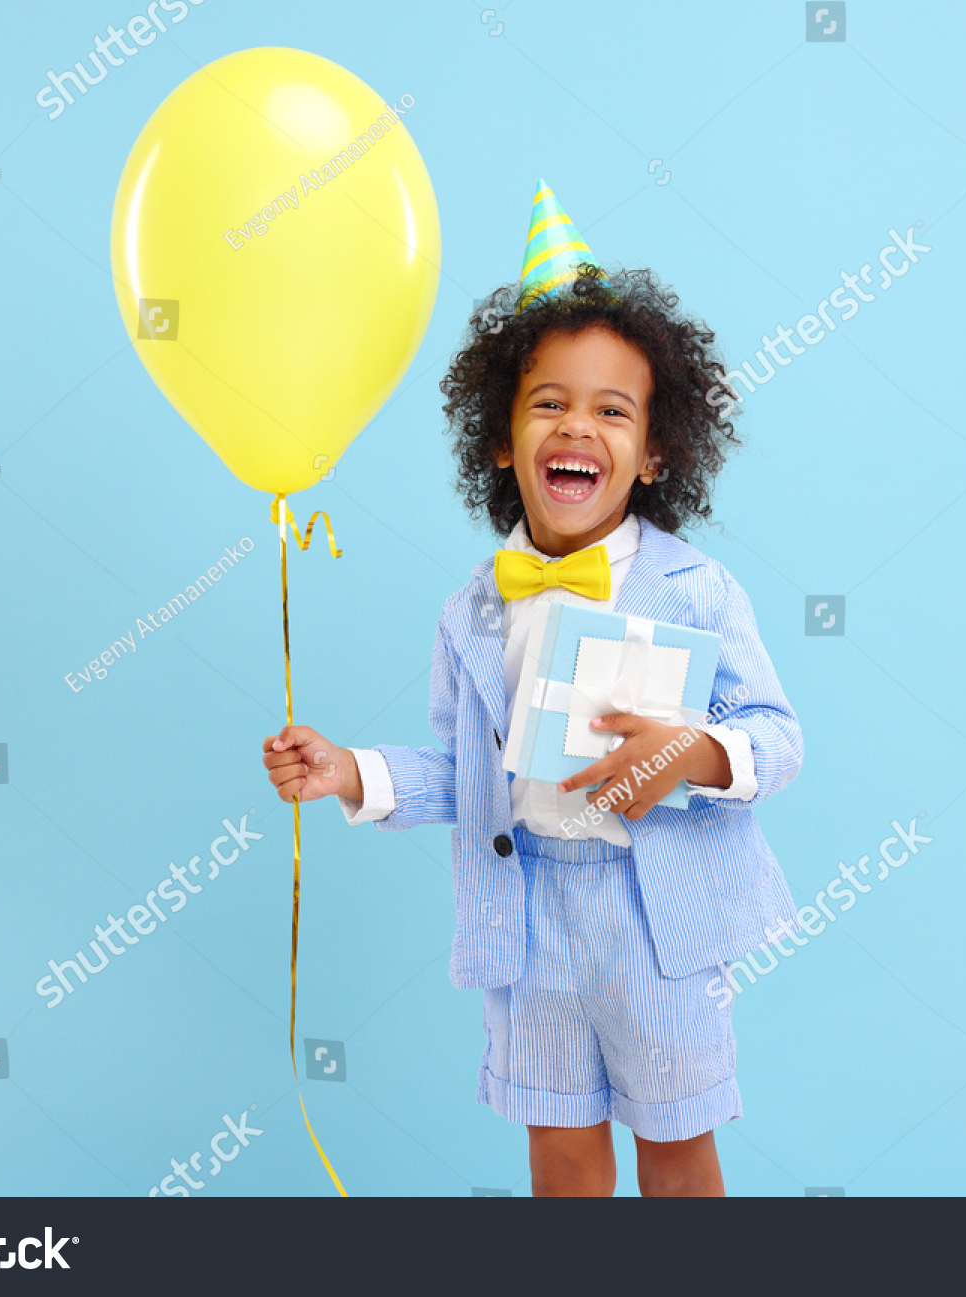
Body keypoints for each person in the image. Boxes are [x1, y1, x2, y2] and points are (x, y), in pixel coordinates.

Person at [262, 182, 802, 1196]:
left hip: (658, 922)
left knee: (679, 1146)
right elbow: (463, 772)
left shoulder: (697, 591)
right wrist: (349, 772)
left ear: (655, 453)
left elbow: (777, 735)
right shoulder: (472, 610)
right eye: (548, 402)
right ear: (501, 441)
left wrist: (695, 751)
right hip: (531, 917)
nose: (578, 427)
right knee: (558, 1152)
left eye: (613, 410)